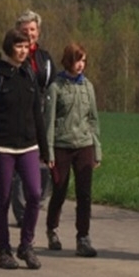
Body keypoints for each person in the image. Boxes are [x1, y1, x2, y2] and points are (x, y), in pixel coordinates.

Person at [0, 29, 50, 270]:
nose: (23, 51)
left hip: (28, 145)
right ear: (9, 47)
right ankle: (4, 251)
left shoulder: (29, 74)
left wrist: (45, 148)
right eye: (18, 46)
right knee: (4, 198)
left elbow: (37, 115)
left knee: (34, 193)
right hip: (2, 146)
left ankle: (26, 245)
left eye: (26, 46)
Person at [44, 43, 102, 258]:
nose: (81, 65)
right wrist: (48, 152)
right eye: (78, 60)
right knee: (59, 190)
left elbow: (93, 120)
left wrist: (97, 149)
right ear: (68, 61)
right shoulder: (56, 88)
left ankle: (83, 238)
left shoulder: (88, 86)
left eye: (84, 61)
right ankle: (52, 229)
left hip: (84, 145)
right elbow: (48, 122)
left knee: (84, 194)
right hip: (61, 145)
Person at [11, 10, 55, 228]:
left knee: (45, 164)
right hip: (20, 116)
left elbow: (53, 85)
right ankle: (21, 212)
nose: (29, 34)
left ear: (38, 32)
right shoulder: (13, 56)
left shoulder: (44, 58)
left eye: (33, 30)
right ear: (17, 32)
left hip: (43, 115)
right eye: (25, 30)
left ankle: (37, 204)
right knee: (21, 166)